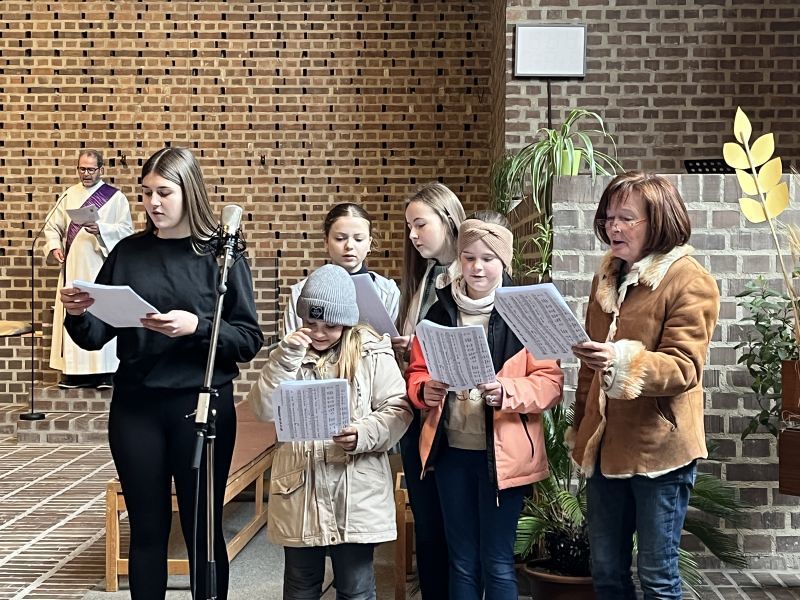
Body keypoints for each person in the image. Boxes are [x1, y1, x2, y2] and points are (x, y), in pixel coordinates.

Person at [59, 147, 263, 600]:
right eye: (147, 192)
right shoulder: (128, 253)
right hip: (136, 408)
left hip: (201, 407)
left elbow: (249, 338)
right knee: (147, 530)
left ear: (189, 192)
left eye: (164, 192)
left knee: (201, 530)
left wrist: (196, 327)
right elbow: (95, 336)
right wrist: (77, 313)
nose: (153, 202)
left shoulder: (221, 256)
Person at [569, 171, 720, 600]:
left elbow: (684, 367)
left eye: (626, 218)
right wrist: (580, 428)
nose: (613, 227)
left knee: (657, 576)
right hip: (605, 448)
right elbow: (588, 371)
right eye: (608, 218)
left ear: (659, 221)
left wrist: (621, 360)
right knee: (606, 572)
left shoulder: (689, 280)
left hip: (660, 451)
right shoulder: (606, 278)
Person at [406, 212, 564, 600]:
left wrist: (506, 391)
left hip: (504, 459)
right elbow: (417, 371)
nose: (477, 267)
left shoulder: (528, 312)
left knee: (497, 562)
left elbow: (550, 383)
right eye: (469, 257)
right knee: (461, 560)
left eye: (488, 258)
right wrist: (424, 390)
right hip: (450, 453)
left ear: (504, 262)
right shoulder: (440, 310)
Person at [248, 263, 411, 600]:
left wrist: (363, 434)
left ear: (348, 322)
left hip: (356, 487)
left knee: (355, 587)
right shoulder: (289, 353)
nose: (319, 333)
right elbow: (262, 409)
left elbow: (398, 409)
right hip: (300, 486)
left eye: (330, 326)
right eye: (311, 324)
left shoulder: (371, 350)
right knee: (300, 585)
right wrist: (284, 360)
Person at [392, 181, 466, 599]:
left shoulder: (470, 276)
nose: (413, 235)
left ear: (448, 219)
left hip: (456, 420)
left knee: (456, 533)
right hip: (417, 411)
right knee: (428, 529)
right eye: (409, 227)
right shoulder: (423, 278)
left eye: (420, 224)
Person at [43, 149, 134, 389]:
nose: (86, 173)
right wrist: (54, 247)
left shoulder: (115, 198)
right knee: (75, 310)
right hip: (74, 266)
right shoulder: (68, 195)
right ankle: (74, 373)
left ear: (101, 169)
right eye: (82, 169)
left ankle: (105, 373)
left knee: (101, 311)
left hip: (101, 266)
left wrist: (101, 230)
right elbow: (52, 227)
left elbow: (127, 231)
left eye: (91, 169)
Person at [283, 202, 399, 335]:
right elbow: (291, 342)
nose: (349, 245)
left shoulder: (387, 292)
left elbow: (394, 342)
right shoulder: (301, 292)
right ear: (326, 242)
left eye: (358, 239)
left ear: (369, 243)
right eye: (340, 238)